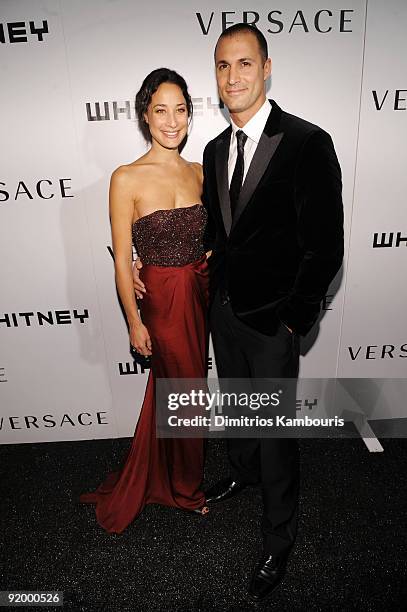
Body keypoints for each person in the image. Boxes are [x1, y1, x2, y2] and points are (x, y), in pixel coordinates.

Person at [133, 24, 344, 601]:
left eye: (244, 64)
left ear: (266, 67)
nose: (233, 77)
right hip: (224, 313)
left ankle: (279, 537)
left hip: (276, 321)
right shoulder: (213, 150)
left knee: (276, 432)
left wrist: (295, 319)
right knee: (243, 416)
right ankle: (243, 472)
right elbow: (218, 237)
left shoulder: (307, 142)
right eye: (223, 67)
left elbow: (325, 246)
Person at [80, 68, 210, 532]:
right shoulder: (126, 178)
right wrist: (134, 321)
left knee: (178, 390)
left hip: (199, 292)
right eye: (161, 110)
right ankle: (185, 490)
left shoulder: (200, 172)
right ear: (144, 116)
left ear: (190, 117)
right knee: (189, 394)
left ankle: (171, 473)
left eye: (180, 110)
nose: (171, 121)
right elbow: (122, 259)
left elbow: (213, 240)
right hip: (160, 299)